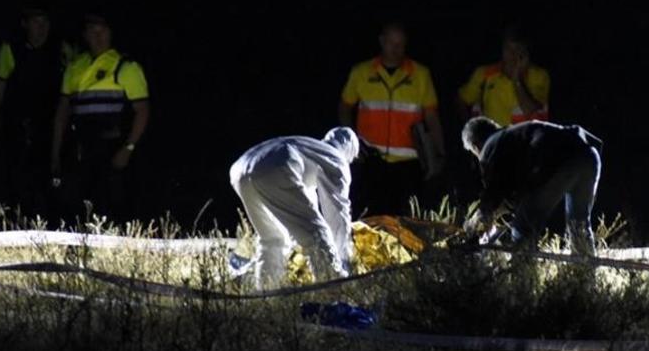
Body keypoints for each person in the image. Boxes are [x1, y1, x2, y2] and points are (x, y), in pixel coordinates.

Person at [230, 127, 360, 289]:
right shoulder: (336, 158)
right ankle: (335, 289)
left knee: (273, 239)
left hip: (240, 171)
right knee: (317, 234)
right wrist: (345, 260)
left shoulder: (311, 148)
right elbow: (337, 212)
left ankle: (265, 294)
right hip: (277, 166)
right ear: (349, 152)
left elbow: (307, 204)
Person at [338, 22, 446, 215]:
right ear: (381, 41)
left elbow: (432, 116)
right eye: (391, 43)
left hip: (409, 162)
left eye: (400, 44)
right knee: (370, 218)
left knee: (406, 219)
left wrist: (439, 153)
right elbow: (345, 107)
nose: (395, 49)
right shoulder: (361, 72)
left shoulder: (420, 74)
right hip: (371, 159)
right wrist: (351, 142)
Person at [50, 13, 150, 221]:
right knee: (75, 206)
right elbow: (62, 113)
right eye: (92, 31)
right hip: (80, 149)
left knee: (112, 207)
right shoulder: (75, 66)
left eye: (102, 30)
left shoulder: (125, 66)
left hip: (112, 149)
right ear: (85, 34)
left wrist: (128, 149)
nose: (97, 36)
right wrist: (56, 153)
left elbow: (143, 110)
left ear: (111, 33)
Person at [0, 4, 74, 218]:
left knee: (52, 183)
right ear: (25, 24)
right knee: (17, 182)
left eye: (45, 22)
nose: (41, 28)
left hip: (52, 127)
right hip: (18, 126)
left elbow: (71, 93)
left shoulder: (62, 49)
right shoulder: (11, 48)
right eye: (36, 22)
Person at [461, 116, 602, 255]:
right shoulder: (514, 135)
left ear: (475, 146)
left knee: (522, 226)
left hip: (558, 162)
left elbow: (493, 192)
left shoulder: (491, 147)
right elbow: (512, 189)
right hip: (588, 155)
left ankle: (524, 272)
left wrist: (477, 222)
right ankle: (585, 269)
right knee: (579, 222)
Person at [457, 28, 550, 126]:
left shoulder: (539, 76)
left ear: (526, 51)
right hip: (493, 139)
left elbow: (531, 111)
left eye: (518, 49)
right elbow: (461, 100)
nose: (512, 54)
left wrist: (517, 79)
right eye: (508, 48)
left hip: (524, 139)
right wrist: (471, 129)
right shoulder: (484, 74)